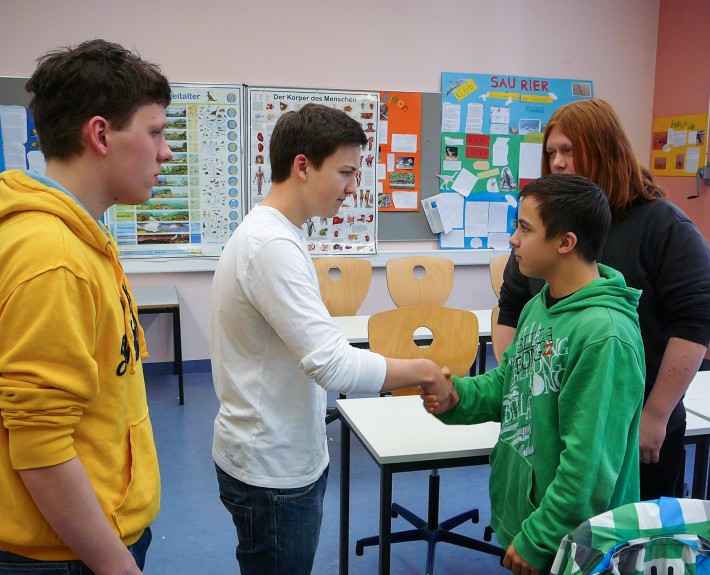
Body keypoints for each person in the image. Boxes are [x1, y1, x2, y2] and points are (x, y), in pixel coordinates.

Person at [210, 103, 452, 575]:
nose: (352, 186)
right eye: (345, 172)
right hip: (271, 471)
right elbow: (334, 367)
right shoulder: (272, 245)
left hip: (272, 453)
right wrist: (423, 370)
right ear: (302, 166)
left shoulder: (279, 233)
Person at [0, 40, 172, 574]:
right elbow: (41, 443)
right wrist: (116, 566)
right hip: (66, 553)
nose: (166, 152)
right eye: (155, 132)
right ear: (100, 134)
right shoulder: (54, 257)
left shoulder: (77, 237)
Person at [425, 173, 646, 575]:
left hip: (574, 544)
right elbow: (510, 385)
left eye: (525, 228)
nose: (513, 240)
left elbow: (589, 466)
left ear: (566, 242)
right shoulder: (539, 305)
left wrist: (540, 536)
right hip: (530, 519)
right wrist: (456, 395)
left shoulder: (605, 336)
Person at [495, 99, 710, 500]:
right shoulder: (545, 228)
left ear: (605, 149)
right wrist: (515, 390)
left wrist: (657, 414)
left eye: (569, 150)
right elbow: (511, 307)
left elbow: (694, 323)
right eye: (551, 152)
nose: (557, 162)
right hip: (549, 418)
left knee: (625, 543)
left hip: (633, 420)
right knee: (553, 529)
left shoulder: (663, 225)